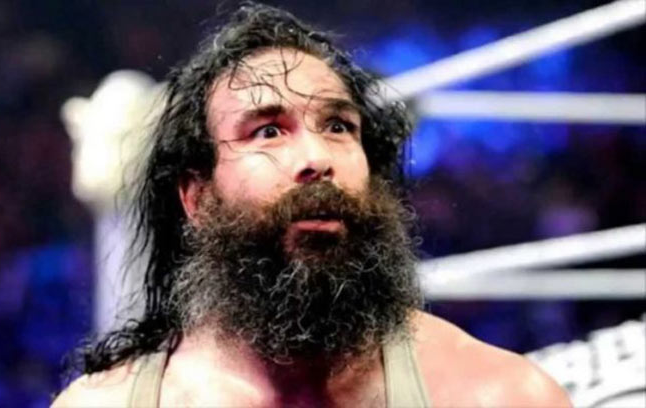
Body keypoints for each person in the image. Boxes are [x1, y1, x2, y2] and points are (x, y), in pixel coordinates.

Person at [53, 3, 570, 407]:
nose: (316, 158)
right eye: (268, 130)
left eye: (339, 126)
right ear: (199, 198)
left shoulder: (497, 395)